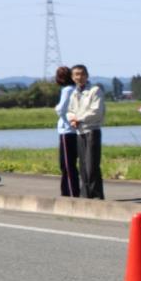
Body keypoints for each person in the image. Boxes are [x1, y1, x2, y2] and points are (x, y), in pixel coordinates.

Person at [67, 64, 105, 199]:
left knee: (91, 166)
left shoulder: (95, 90)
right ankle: (86, 196)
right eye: (76, 74)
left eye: (82, 74)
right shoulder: (74, 93)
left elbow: (96, 111)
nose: (79, 77)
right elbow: (70, 111)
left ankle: (97, 196)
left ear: (87, 75)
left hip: (92, 130)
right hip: (80, 131)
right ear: (72, 77)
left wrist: (78, 119)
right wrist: (72, 119)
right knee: (82, 166)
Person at [53, 66, 79, 197]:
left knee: (66, 164)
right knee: (71, 163)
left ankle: (70, 191)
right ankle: (70, 191)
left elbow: (61, 109)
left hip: (66, 130)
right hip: (76, 131)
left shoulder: (67, 90)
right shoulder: (76, 88)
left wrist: (56, 107)